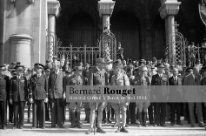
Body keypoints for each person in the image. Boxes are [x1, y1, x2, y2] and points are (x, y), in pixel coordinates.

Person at [86, 58, 108, 134]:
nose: (104, 65)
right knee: (93, 110)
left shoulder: (103, 71)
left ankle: (99, 126)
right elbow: (90, 84)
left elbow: (105, 83)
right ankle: (91, 127)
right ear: (98, 63)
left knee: (101, 110)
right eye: (103, 63)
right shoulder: (92, 71)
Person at [110, 59, 130, 133]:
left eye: (114, 68)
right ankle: (118, 126)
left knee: (124, 111)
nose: (113, 69)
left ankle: (123, 126)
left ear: (118, 68)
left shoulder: (124, 76)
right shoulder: (112, 77)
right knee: (117, 112)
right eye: (113, 68)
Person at [64, 63, 83, 128]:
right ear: (75, 71)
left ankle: (78, 123)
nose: (80, 72)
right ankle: (73, 123)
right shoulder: (70, 78)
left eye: (80, 70)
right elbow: (67, 87)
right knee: (72, 109)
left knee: (78, 109)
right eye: (79, 70)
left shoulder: (82, 78)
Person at [30, 64, 48, 128]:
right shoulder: (32, 77)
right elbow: (30, 87)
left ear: (41, 70)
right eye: (37, 69)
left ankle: (42, 125)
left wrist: (46, 97)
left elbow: (46, 87)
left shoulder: (44, 77)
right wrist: (31, 97)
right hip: (35, 95)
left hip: (42, 95)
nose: (38, 70)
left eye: (39, 69)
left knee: (42, 111)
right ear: (35, 70)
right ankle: (34, 125)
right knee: (35, 111)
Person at [49, 63, 65, 128]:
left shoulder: (62, 74)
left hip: (60, 94)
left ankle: (60, 123)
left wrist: (64, 93)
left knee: (60, 110)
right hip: (52, 94)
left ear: (58, 67)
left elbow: (64, 84)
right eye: (54, 66)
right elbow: (49, 84)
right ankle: (53, 123)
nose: (54, 67)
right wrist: (49, 93)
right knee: (53, 109)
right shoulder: (51, 74)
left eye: (55, 66)